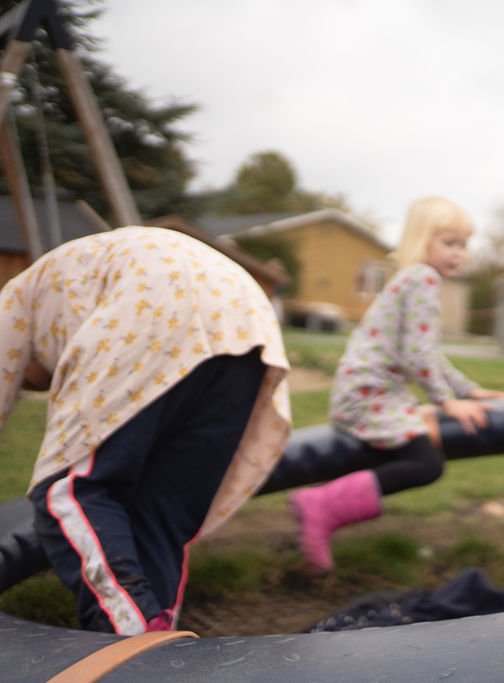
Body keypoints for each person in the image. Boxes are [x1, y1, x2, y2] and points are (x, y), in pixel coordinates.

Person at [0, 227, 291, 635]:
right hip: (244, 320)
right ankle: (162, 642)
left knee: (68, 492)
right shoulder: (71, 279)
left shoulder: (16, 297)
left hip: (155, 299)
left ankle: (132, 638)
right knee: (162, 511)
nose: (43, 382)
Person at [289, 197, 504, 573]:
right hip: (369, 394)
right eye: (449, 243)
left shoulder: (412, 279)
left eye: (463, 245)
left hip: (368, 391)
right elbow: (417, 355)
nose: (459, 254)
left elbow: (429, 354)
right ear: (422, 241)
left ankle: (324, 503)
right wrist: (445, 402)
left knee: (419, 456)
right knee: (425, 463)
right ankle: (320, 506)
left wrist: (467, 389)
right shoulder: (422, 279)